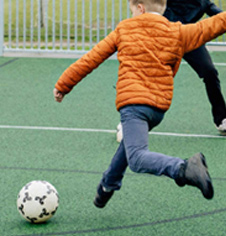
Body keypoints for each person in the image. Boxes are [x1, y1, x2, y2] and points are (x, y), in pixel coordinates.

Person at [54, 0, 226, 208]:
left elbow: (91, 59)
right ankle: (107, 185)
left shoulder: (124, 29)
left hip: (134, 106)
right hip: (158, 109)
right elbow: (214, 24)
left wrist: (64, 84)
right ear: (162, 8)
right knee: (129, 143)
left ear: (140, 8)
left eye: (132, 10)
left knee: (136, 157)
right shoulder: (177, 31)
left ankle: (184, 168)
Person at [117, 0, 226, 142]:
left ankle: (221, 119)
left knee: (210, 72)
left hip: (187, 38)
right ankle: (128, 122)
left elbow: (220, 17)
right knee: (148, 76)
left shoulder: (203, 2)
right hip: (164, 39)